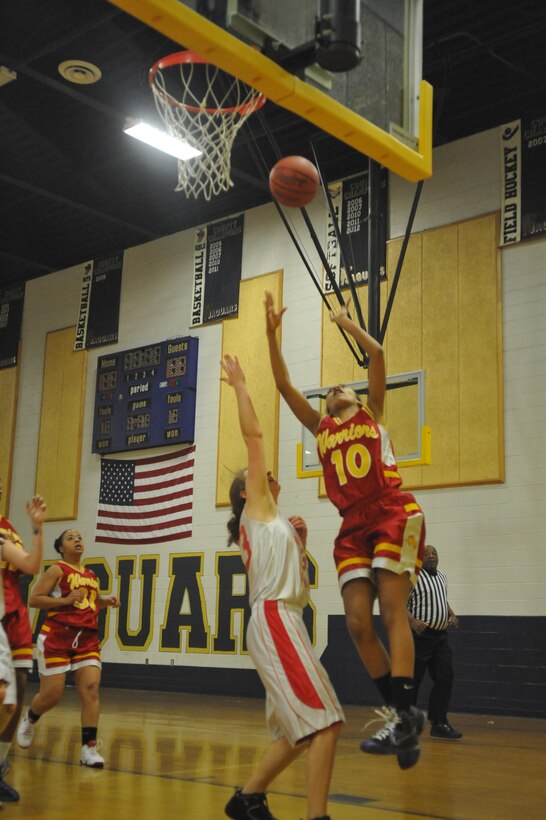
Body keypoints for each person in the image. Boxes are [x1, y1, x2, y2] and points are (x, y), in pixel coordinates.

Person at [265, 291, 426, 769]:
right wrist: (272, 336)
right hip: (352, 525)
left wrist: (347, 323)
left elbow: (376, 354)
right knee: (357, 624)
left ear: (358, 397)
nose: (335, 388)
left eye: (342, 386)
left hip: (391, 509)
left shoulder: (373, 412)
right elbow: (282, 383)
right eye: (330, 389)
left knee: (392, 611)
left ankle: (403, 717)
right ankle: (405, 719)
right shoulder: (320, 430)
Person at [221, 353, 344, 820]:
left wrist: (301, 546)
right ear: (247, 492)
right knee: (327, 721)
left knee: (297, 733)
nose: (268, 475)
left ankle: (247, 798)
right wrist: (240, 385)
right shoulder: (257, 510)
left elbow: (304, 587)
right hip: (274, 619)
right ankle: (318, 817)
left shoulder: (275, 525)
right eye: (257, 477)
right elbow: (253, 436)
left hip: (284, 616)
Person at [16, 528, 120, 768]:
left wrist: (104, 601)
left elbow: (86, 603)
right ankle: (30, 716)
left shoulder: (92, 575)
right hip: (56, 638)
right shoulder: (57, 569)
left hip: (86, 638)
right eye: (70, 538)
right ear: (61, 547)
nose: (77, 540)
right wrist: (64, 600)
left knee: (92, 689)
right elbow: (34, 599)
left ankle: (89, 749)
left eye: (79, 537)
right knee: (52, 695)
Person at [0, 493, 46, 803]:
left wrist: (37, 527)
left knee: (14, 693)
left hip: (11, 613)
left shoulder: (6, 528)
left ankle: (0, 765)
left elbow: (30, 564)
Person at [407, 544, 463, 739]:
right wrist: (412, 621)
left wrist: (452, 614)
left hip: (440, 638)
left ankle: (439, 723)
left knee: (445, 677)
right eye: (426, 554)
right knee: (413, 682)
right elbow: (397, 603)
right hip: (419, 638)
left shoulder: (442, 578)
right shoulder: (412, 578)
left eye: (434, 553)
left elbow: (441, 600)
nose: (431, 556)